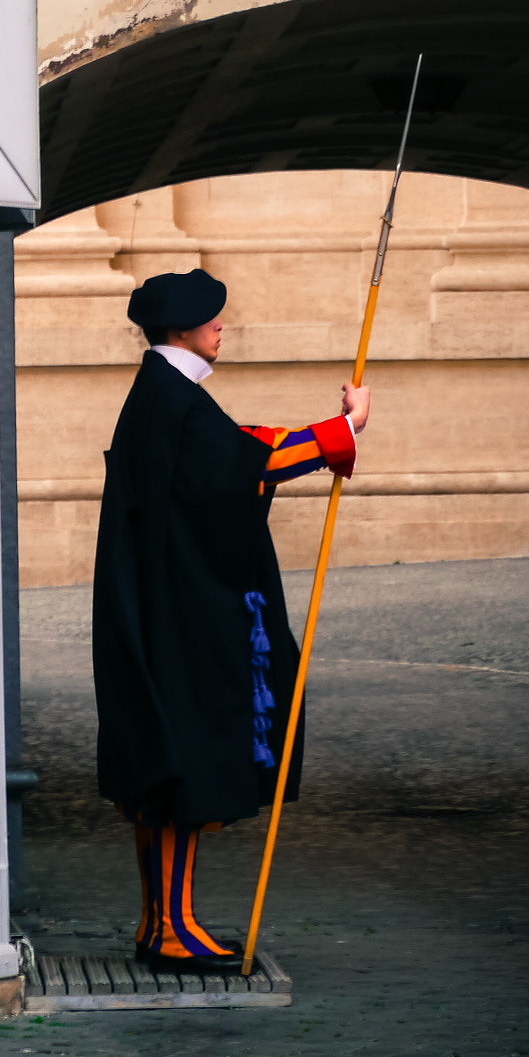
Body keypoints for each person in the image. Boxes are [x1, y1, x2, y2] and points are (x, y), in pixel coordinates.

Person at [92, 267, 370, 971]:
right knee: (181, 766)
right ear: (182, 329)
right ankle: (172, 930)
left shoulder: (165, 397)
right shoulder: (174, 402)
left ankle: (163, 922)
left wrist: (322, 433)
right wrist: (342, 430)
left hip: (165, 608)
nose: (223, 325)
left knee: (167, 765)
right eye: (212, 317)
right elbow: (251, 462)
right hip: (181, 617)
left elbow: (239, 442)